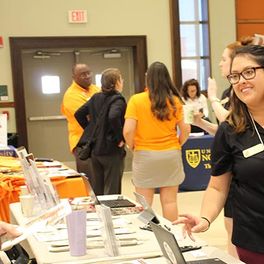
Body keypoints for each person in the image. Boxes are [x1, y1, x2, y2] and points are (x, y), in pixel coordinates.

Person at [173, 45, 264, 264]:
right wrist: (205, 218)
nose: (241, 81)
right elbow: (217, 186)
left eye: (249, 72)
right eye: (234, 76)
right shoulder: (231, 129)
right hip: (255, 239)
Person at [123, 61, 190, 221]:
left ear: (148, 78)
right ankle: (174, 237)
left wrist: (131, 145)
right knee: (170, 201)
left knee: (145, 203)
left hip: (145, 154)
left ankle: (146, 236)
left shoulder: (136, 100)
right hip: (170, 153)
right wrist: (178, 144)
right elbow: (186, 128)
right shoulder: (175, 101)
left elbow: (128, 130)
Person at [75, 68, 126, 195]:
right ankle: (111, 214)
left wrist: (91, 129)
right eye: (121, 79)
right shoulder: (117, 99)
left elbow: (79, 113)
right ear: (116, 83)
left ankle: (99, 212)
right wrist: (120, 138)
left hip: (95, 150)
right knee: (112, 187)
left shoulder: (95, 97)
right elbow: (113, 116)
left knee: (98, 186)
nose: (122, 81)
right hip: (110, 148)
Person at [61, 63, 100, 177]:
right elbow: (88, 116)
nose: (87, 76)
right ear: (74, 77)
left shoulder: (95, 88)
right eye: (83, 74)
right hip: (83, 143)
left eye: (88, 72)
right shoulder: (71, 95)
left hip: (98, 141)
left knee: (100, 180)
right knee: (91, 181)